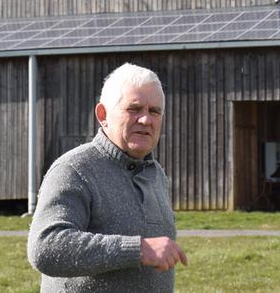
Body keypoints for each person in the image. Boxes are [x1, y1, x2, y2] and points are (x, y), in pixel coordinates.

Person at [27, 63, 187, 292]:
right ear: (103, 115)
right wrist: (138, 250)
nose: (146, 120)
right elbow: (45, 248)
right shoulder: (74, 169)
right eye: (134, 109)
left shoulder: (156, 174)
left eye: (154, 111)